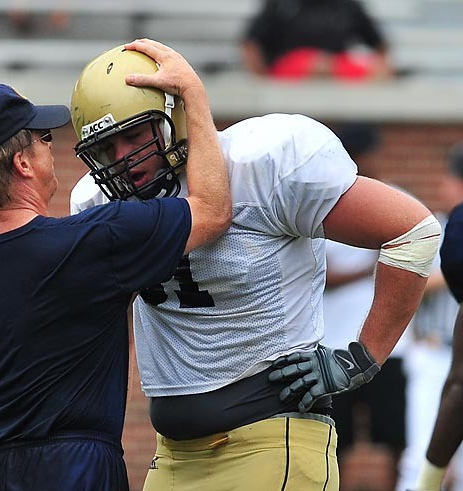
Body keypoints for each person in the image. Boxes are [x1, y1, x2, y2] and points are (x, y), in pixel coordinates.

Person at [69, 42, 441, 490]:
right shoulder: (94, 199)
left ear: (177, 117)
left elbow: (413, 232)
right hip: (172, 455)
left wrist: (364, 356)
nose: (124, 160)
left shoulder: (260, 165)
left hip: (270, 440)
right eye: (107, 147)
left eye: (135, 135)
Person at [0, 39, 231, 491]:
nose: (49, 149)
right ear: (22, 163)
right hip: (72, 468)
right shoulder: (91, 241)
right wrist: (193, 94)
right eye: (43, 140)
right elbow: (212, 210)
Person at [322, 124, 408, 489]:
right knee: (333, 438)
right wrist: (372, 267)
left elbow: (420, 268)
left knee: (393, 437)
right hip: (333, 343)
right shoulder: (323, 204)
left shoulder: (398, 201)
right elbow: (320, 276)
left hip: (388, 345)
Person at [411, 144, 463, 491]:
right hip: (434, 349)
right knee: (417, 453)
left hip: (450, 353)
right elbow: (416, 281)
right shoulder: (440, 227)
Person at [241, 0, 393, 81]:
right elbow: (251, 43)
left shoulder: (347, 6)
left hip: (337, 72)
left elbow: (379, 44)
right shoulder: (280, 4)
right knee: (317, 64)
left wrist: (380, 69)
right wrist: (263, 81)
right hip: (287, 72)